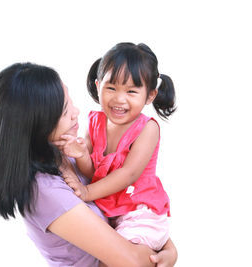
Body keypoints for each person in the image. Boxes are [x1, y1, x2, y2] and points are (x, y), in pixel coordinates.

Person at [0, 62, 177, 266]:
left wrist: (169, 248)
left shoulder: (67, 154)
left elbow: (124, 205)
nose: (76, 112)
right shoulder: (46, 192)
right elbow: (134, 263)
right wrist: (163, 255)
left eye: (70, 100)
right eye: (65, 111)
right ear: (37, 123)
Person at [55, 42, 175, 251]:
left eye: (131, 91)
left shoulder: (147, 129)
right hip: (112, 212)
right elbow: (93, 172)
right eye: (111, 88)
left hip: (140, 212)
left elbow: (128, 174)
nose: (119, 99)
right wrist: (82, 155)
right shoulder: (94, 122)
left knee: (113, 258)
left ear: (150, 96)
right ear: (98, 85)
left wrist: (86, 192)